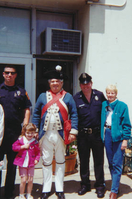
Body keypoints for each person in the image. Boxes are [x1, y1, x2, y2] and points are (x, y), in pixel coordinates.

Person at [32, 65, 78, 199]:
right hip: (46, 134)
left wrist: (73, 132)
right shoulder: (42, 96)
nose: (55, 84)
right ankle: (46, 188)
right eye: (52, 81)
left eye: (57, 81)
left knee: (60, 160)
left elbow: (74, 114)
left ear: (62, 83)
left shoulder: (68, 97)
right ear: (49, 83)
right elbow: (36, 113)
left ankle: (59, 188)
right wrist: (35, 129)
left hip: (61, 134)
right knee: (46, 161)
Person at [0, 65, 32, 198]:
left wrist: (25, 125)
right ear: (3, 74)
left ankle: (9, 192)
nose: (9, 75)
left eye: (12, 73)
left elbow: (27, 108)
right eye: (7, 73)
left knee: (12, 164)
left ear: (16, 75)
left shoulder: (21, 91)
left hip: (14, 132)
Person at [73, 73, 106, 198]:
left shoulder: (99, 95)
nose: (85, 86)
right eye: (83, 84)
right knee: (84, 161)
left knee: (99, 161)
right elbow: (73, 116)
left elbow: (107, 110)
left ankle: (99, 186)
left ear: (91, 83)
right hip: (83, 135)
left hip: (97, 134)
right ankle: (85, 185)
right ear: (80, 85)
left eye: (87, 84)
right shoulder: (76, 98)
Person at [100, 85, 132, 199]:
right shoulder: (104, 105)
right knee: (110, 162)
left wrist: (125, 140)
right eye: (108, 93)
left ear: (116, 94)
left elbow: (127, 125)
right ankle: (116, 185)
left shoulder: (122, 106)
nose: (110, 95)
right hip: (107, 134)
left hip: (118, 137)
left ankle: (114, 191)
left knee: (117, 163)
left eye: (112, 93)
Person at [12, 123, 40, 199]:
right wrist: (22, 147)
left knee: (30, 180)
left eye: (32, 133)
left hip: (31, 163)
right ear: (25, 132)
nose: (30, 135)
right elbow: (14, 147)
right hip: (23, 163)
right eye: (28, 133)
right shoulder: (21, 140)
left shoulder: (35, 142)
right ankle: (21, 194)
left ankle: (29, 194)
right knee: (23, 180)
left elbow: (38, 152)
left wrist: (37, 159)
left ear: (34, 133)